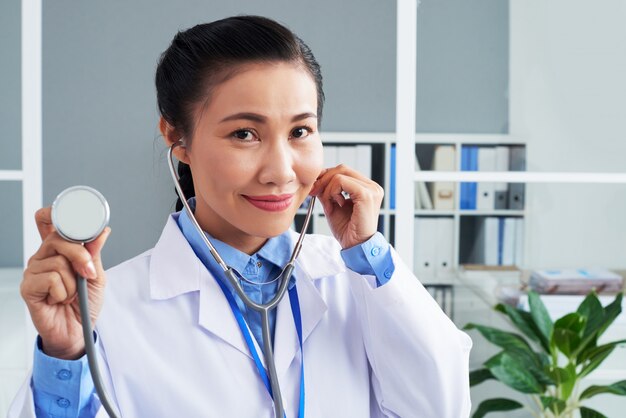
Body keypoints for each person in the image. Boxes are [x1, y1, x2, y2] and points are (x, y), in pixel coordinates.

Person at [10, 15, 472, 418]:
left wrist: (370, 259)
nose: (281, 171)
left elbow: (440, 408)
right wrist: (67, 354)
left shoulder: (359, 279)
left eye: (300, 131)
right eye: (245, 133)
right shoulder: (107, 314)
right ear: (178, 139)